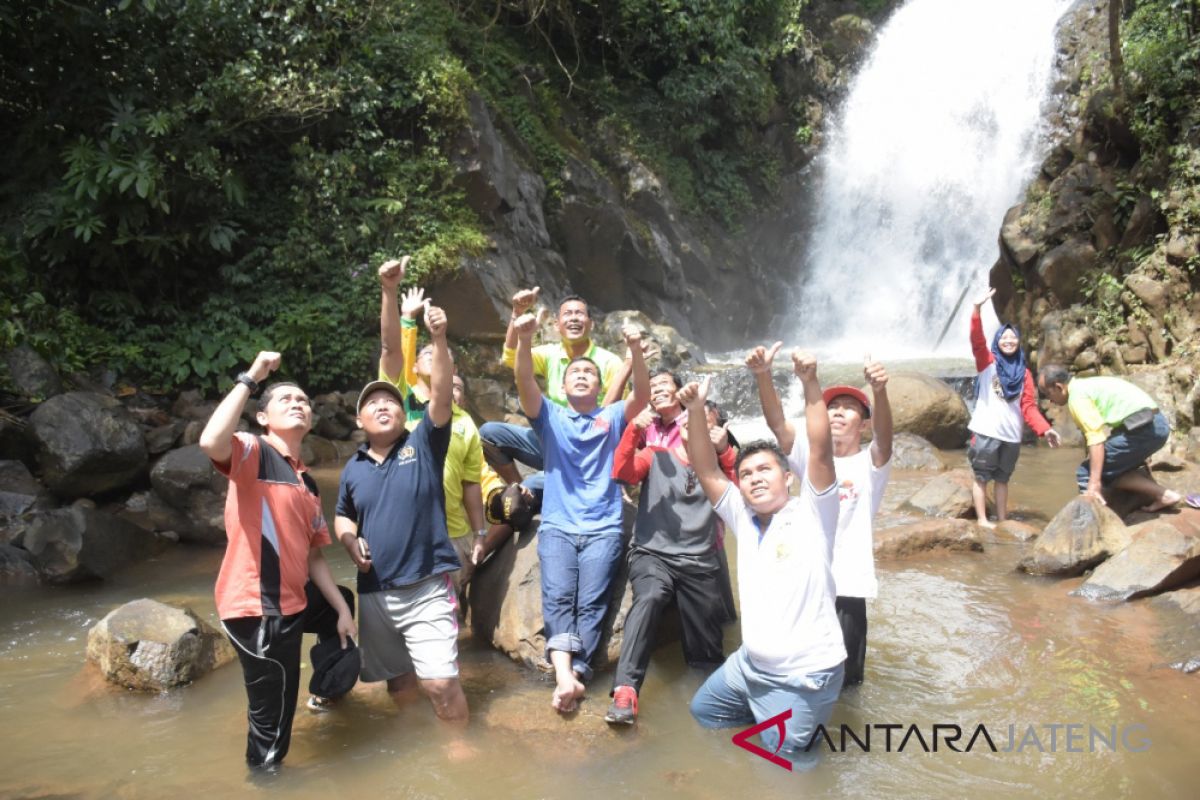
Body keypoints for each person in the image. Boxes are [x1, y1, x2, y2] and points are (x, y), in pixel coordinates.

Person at [685, 350, 845, 769]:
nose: (754, 478)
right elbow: (705, 469)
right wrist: (696, 410)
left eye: (764, 470)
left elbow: (822, 453)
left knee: (788, 770)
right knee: (705, 712)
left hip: (801, 678)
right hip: (748, 667)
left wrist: (811, 383)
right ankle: (767, 724)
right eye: (747, 474)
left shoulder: (813, 513)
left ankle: (796, 740)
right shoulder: (742, 515)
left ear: (788, 477)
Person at [198, 351, 356, 769]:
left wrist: (342, 611)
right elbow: (210, 442)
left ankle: (324, 693)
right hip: (260, 610)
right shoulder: (253, 453)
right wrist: (251, 377)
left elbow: (315, 554)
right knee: (273, 729)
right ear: (263, 418)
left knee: (341, 603)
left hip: (293, 601)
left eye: (303, 400)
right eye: (285, 399)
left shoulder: (305, 479)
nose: (298, 403)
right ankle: (266, 780)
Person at [335, 300, 470, 733]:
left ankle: (459, 746)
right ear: (359, 419)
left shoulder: (423, 443)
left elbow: (444, 394)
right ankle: (415, 736)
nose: (382, 405)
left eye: (390, 400)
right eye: (372, 402)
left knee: (440, 682)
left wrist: (439, 339)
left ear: (403, 412)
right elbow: (343, 517)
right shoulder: (353, 467)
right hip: (375, 591)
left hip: (426, 583)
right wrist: (348, 540)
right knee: (399, 683)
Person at [511, 310, 650, 713]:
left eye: (590, 372)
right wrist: (523, 340)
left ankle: (577, 673)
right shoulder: (550, 417)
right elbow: (524, 381)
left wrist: (636, 351)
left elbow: (640, 395)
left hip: (604, 526)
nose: (584, 375)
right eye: (575, 373)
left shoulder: (611, 416)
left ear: (599, 384)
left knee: (591, 603)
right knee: (556, 598)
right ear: (563, 384)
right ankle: (566, 677)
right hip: (557, 524)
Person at [747, 342, 893, 688]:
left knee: (846, 686)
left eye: (849, 408)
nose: (838, 413)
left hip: (848, 585)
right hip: (806, 580)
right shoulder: (810, 457)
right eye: (832, 407)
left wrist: (880, 390)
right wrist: (763, 375)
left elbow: (886, 439)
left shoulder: (871, 464)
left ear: (865, 422)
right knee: (796, 672)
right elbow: (778, 424)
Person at [605, 376, 737, 725]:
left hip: (699, 560)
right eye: (692, 426)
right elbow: (622, 472)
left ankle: (715, 704)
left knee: (707, 656)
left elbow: (743, 500)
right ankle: (625, 690)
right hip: (653, 554)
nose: (698, 433)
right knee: (649, 597)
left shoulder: (718, 468)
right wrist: (634, 429)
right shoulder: (656, 454)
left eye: (706, 427)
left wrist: (725, 452)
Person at [375, 258, 486, 594]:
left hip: (450, 533)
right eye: (423, 353)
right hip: (401, 530)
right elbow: (392, 348)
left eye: (438, 353)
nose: (431, 355)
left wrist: (479, 533)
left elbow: (471, 483)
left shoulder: (464, 421)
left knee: (446, 629)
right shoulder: (400, 401)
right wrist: (393, 298)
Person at [481, 288, 625, 484]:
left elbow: (619, 414)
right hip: (550, 438)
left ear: (591, 323)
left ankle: (536, 488)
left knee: (535, 484)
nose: (574, 319)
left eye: (580, 314)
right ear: (557, 325)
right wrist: (517, 313)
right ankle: (518, 490)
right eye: (568, 314)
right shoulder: (551, 354)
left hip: (588, 447)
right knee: (490, 434)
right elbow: (512, 358)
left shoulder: (609, 362)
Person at [965, 288, 1061, 527]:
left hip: (1010, 436)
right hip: (986, 431)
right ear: (998, 341)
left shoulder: (1025, 374)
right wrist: (977, 309)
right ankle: (982, 519)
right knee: (981, 477)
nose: (1008, 340)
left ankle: (1003, 518)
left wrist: (1044, 429)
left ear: (1018, 342)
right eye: (1003, 337)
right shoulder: (988, 363)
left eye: (1012, 338)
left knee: (1002, 479)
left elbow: (1028, 407)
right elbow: (977, 339)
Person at [1038, 364, 1180, 511]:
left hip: (1145, 430)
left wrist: (1094, 483)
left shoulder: (1077, 397)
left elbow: (1096, 439)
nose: (1049, 401)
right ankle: (1164, 495)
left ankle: (1090, 524)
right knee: (1109, 468)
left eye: (1047, 394)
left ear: (1059, 387)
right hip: (1156, 424)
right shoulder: (1087, 384)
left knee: (1086, 473)